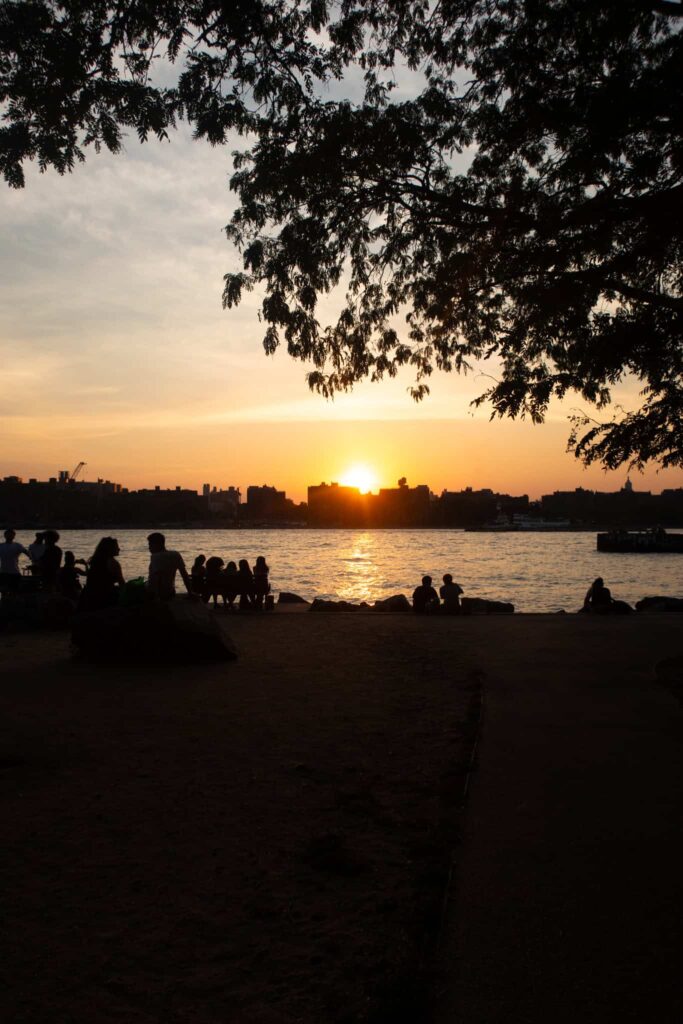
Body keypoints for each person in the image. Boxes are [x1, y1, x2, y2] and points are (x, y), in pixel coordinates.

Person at [79, 537, 124, 611]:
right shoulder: (113, 563)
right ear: (110, 549)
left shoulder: (95, 561)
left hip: (88, 596)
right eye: (116, 547)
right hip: (105, 598)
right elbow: (121, 583)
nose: (119, 549)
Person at [146, 532, 192, 600]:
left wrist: (158, 597)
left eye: (150, 545)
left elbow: (158, 579)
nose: (149, 548)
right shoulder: (176, 554)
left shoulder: (155, 557)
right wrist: (190, 592)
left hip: (156, 593)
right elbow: (184, 575)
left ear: (157, 544)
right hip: (171, 592)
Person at [0, 528, 29, 595]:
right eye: (8, 534)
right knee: (3, 591)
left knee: (15, 591)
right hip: (3, 572)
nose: (10, 536)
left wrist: (34, 559)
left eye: (11, 534)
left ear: (14, 536)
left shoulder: (17, 545)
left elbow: (27, 553)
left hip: (14, 572)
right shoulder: (1, 546)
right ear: (5, 535)